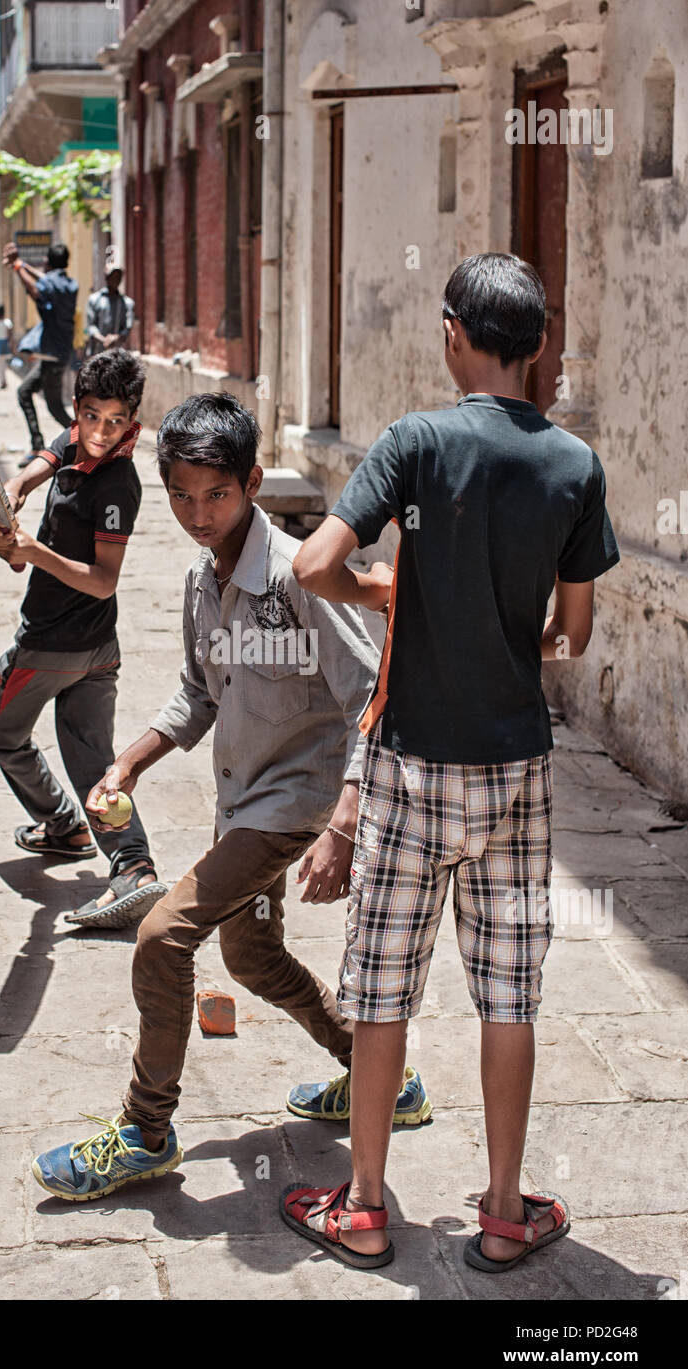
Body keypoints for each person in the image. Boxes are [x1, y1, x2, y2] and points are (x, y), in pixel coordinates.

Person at [279, 252, 620, 1272]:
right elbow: (572, 633)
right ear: (540, 346)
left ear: (453, 334)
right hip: (515, 769)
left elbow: (314, 563)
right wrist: (508, 628)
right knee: (509, 995)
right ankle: (508, 1209)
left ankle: (364, 1203)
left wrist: (383, 592)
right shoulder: (573, 464)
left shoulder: (416, 442)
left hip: (409, 766)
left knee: (382, 989)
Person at [29, 393, 432, 1201]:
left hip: (298, 806)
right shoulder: (198, 578)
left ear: (251, 483)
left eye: (216, 495)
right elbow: (196, 692)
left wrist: (344, 824)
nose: (198, 514)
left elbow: (373, 697)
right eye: (181, 496)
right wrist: (127, 764)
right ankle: (380, 1076)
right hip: (241, 801)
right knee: (248, 956)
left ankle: (144, 1131)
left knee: (161, 937)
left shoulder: (300, 574)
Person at [0, 349, 167, 930]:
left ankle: (62, 823)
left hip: (51, 647)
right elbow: (43, 460)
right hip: (97, 651)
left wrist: (31, 551)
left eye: (116, 422)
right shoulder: (72, 442)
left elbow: (104, 580)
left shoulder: (117, 485)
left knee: (0, 731)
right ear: (76, 409)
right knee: (92, 763)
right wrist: (12, 492)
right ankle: (133, 866)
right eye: (91, 416)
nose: (101, 433)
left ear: (132, 422)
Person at [3, 240, 77, 466]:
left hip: (52, 353)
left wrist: (18, 268)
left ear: (48, 262)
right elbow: (46, 280)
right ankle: (40, 444)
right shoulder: (70, 285)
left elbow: (36, 290)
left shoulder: (49, 284)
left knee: (53, 406)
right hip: (59, 352)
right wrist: (22, 264)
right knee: (26, 393)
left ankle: (83, 441)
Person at [85, 265, 134, 359]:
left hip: (116, 355)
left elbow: (127, 327)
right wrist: (104, 340)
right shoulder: (94, 299)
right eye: (113, 276)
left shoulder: (127, 303)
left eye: (118, 277)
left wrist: (116, 338)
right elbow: (90, 326)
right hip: (96, 353)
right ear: (107, 277)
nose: (116, 280)